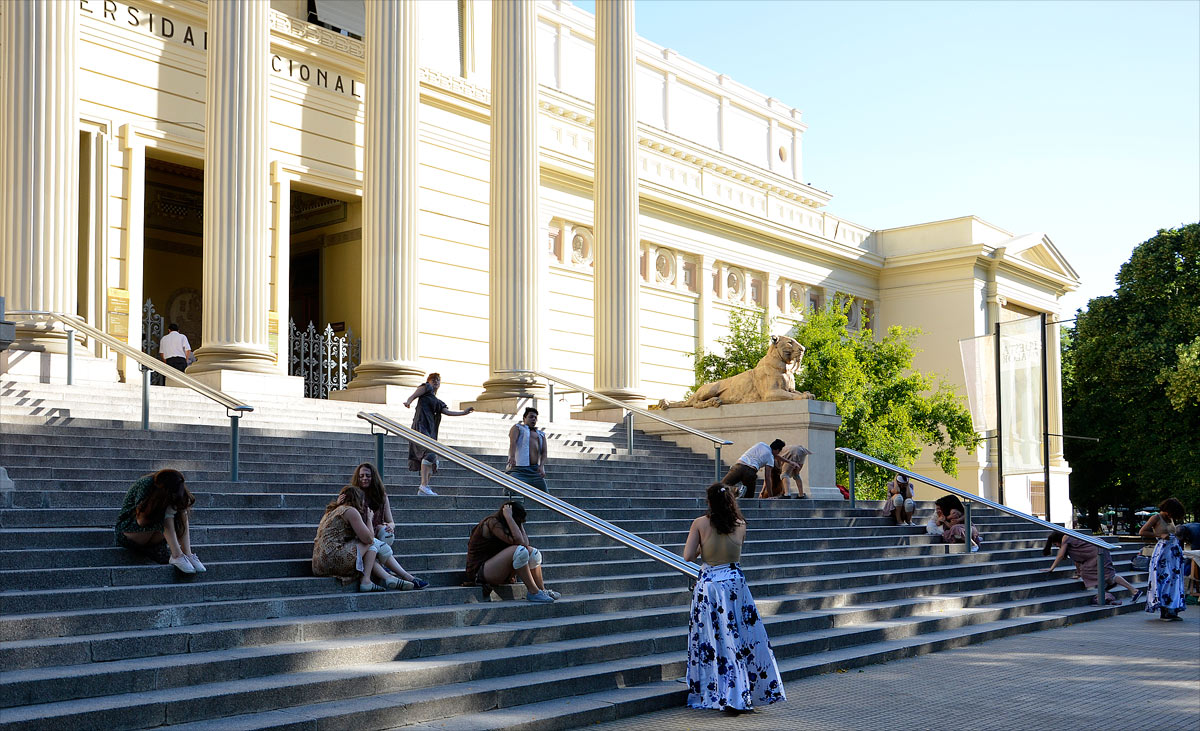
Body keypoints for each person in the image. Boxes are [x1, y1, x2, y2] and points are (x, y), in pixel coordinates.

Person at [683, 482, 785, 713]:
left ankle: (722, 691)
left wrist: (701, 547)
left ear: (709, 502)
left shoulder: (700, 523)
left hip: (711, 586)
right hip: (735, 583)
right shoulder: (740, 525)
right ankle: (745, 689)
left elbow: (688, 556)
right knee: (740, 638)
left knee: (715, 639)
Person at [313, 485, 426, 592]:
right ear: (358, 499)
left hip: (320, 564)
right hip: (335, 559)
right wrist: (369, 519)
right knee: (372, 544)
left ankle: (388, 577)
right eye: (363, 500)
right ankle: (369, 580)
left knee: (368, 549)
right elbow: (369, 539)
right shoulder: (350, 511)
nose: (364, 503)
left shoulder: (331, 512)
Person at [346, 462, 428, 589]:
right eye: (361, 476)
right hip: (359, 536)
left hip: (373, 537)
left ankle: (396, 578)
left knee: (381, 536)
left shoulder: (381, 496)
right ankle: (404, 577)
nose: (364, 479)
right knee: (371, 547)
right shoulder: (353, 496)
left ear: (373, 477)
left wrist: (390, 526)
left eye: (367, 475)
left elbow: (391, 521)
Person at [463, 501, 557, 603]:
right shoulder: (492, 522)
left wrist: (519, 523)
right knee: (520, 551)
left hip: (498, 569)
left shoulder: (511, 524)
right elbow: (519, 542)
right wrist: (509, 517)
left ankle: (541, 590)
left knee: (533, 553)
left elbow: (525, 543)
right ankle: (533, 592)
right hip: (480, 572)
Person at [114, 469, 205, 574]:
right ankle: (176, 555)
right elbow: (141, 521)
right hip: (129, 531)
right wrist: (165, 510)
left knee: (181, 512)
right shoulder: (146, 484)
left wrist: (176, 507)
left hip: (154, 535)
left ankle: (187, 553)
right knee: (165, 514)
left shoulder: (177, 485)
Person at [403, 372, 474, 496]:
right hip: (420, 427)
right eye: (433, 379)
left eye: (438, 380)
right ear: (429, 381)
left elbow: (447, 412)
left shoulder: (438, 401)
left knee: (433, 459)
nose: (436, 381)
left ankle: (424, 487)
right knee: (430, 454)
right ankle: (423, 486)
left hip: (430, 430)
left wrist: (463, 413)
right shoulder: (427, 389)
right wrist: (409, 401)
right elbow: (417, 392)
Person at [1042, 530, 1141, 604]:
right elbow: (1077, 560)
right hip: (1094, 553)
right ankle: (1110, 585)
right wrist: (1078, 574)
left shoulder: (1066, 537)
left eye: (1056, 544)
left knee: (1109, 575)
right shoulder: (1071, 544)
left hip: (1098, 551)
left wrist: (1052, 568)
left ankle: (1134, 590)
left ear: (1058, 540)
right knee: (1087, 572)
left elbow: (1060, 555)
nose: (1057, 546)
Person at [1139, 497, 1186, 621]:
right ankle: (1164, 610)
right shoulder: (1156, 518)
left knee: (1174, 580)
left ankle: (1172, 609)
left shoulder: (1170, 519)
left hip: (1173, 553)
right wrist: (1159, 535)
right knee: (1164, 579)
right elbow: (1142, 532)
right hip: (1163, 552)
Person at [506, 407, 548, 492]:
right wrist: (512, 457)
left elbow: (544, 452)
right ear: (524, 418)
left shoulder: (540, 434)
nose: (533, 419)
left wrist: (541, 466)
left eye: (535, 418)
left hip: (534, 470)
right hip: (520, 469)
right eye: (531, 417)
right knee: (509, 490)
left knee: (544, 494)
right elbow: (513, 442)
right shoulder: (518, 428)